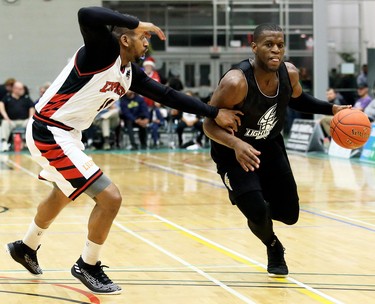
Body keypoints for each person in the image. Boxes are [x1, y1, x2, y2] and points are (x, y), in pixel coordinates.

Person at [5, 6, 241, 295]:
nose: (147, 41)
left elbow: (168, 95)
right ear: (125, 39)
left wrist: (213, 112)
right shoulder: (101, 53)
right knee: (110, 198)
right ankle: (87, 265)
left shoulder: (130, 73)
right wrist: (138, 22)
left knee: (63, 192)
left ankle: (25, 247)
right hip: (49, 131)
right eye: (143, 37)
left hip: (66, 134)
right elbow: (85, 13)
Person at [203, 23, 350, 278]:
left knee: (290, 215)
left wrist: (332, 109)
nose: (275, 50)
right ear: (254, 47)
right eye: (268, 45)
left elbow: (298, 99)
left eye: (280, 45)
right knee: (257, 211)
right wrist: (236, 143)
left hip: (269, 146)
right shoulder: (236, 82)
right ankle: (273, 245)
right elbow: (208, 124)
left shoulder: (289, 73)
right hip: (234, 153)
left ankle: (251, 199)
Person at [0, 81, 35, 152]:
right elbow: (1, 106)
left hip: (24, 121)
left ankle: (29, 143)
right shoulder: (7, 97)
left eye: (22, 89)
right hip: (11, 121)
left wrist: (30, 118)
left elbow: (31, 108)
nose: (23, 90)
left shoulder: (26, 98)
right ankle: (4, 143)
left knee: (32, 123)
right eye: (20, 89)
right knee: (4, 123)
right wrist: (7, 119)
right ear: (15, 89)